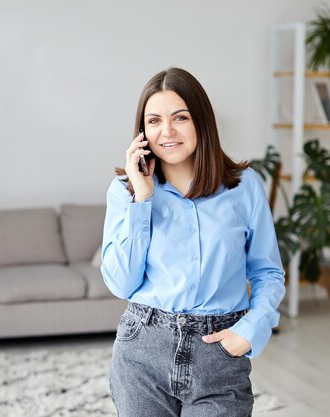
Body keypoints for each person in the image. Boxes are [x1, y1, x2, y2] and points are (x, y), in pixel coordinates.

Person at [101, 67, 286, 417]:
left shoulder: (244, 187)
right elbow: (121, 282)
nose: (167, 131)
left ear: (201, 121)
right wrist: (142, 199)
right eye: (154, 121)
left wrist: (250, 330)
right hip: (142, 351)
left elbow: (268, 273)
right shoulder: (124, 192)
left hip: (217, 354)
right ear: (142, 132)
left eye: (180, 117)